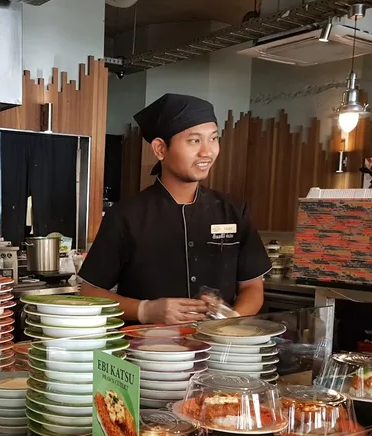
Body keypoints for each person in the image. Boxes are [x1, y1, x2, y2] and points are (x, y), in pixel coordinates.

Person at [79, 93, 271, 325]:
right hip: (148, 352)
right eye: (194, 140)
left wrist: (231, 319)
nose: (207, 152)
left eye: (213, 138)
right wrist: (146, 311)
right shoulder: (126, 216)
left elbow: (252, 287)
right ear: (160, 148)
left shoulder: (234, 211)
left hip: (219, 352)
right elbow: (90, 292)